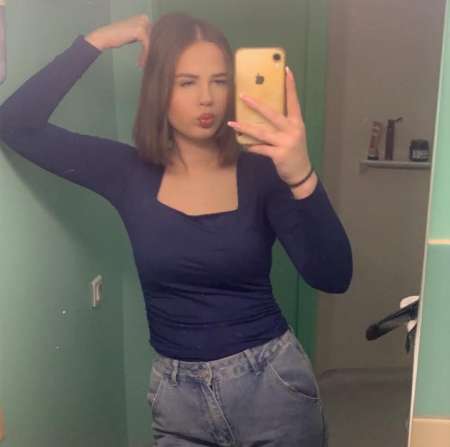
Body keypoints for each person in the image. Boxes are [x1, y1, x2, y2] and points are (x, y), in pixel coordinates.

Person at [0, 12, 352, 447]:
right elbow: (15, 123)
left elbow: (334, 277)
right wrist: (98, 40)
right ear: (158, 89)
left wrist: (301, 176)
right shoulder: (126, 172)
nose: (206, 98)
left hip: (272, 385)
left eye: (219, 81)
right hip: (178, 397)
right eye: (186, 82)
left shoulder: (264, 172)